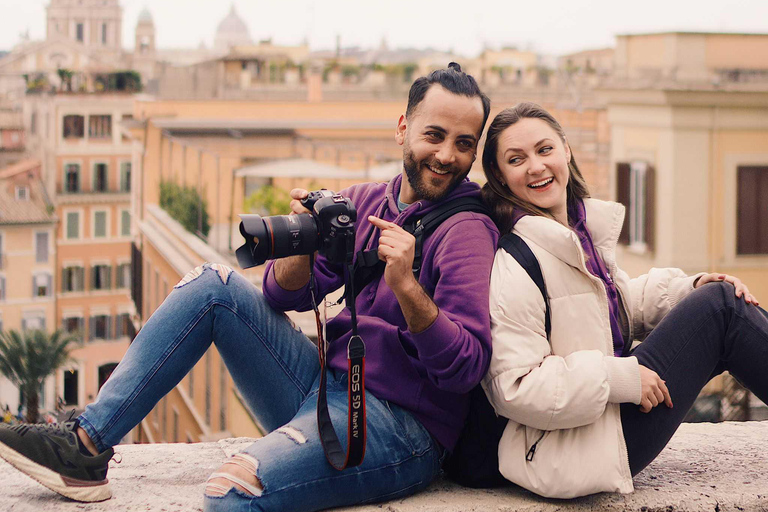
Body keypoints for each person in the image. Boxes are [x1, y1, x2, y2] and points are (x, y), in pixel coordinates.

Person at [0, 63, 499, 511]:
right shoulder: (365, 201)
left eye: (463, 144)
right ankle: (85, 446)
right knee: (212, 285)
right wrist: (301, 242)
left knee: (235, 489)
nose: (446, 155)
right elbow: (283, 297)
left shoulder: (465, 231)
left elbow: (465, 367)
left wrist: (408, 289)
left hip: (398, 426)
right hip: (322, 388)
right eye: (434, 134)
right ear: (402, 128)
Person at [479, 102, 768, 499]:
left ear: (565, 149)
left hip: (603, 423)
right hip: (578, 445)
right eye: (517, 159)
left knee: (716, 300)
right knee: (722, 308)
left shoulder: (575, 232)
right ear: (500, 175)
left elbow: (611, 305)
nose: (535, 166)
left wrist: (689, 287)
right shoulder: (515, 260)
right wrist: (619, 377)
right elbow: (515, 388)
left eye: (544, 149)